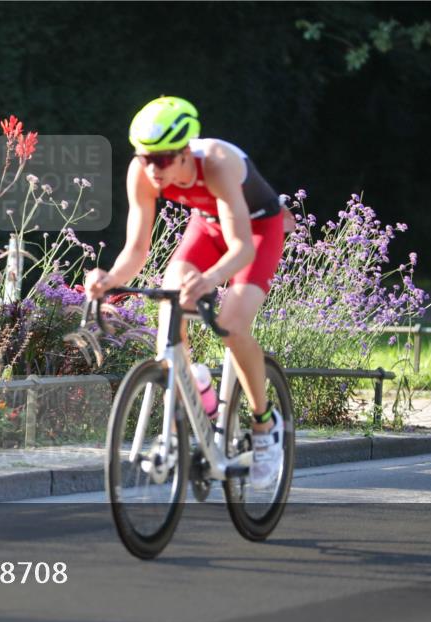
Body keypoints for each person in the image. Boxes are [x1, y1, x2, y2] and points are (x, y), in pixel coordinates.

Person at [85, 97, 291, 488]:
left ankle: (265, 425)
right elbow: (137, 250)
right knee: (171, 295)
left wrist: (211, 279)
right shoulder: (142, 173)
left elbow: (242, 248)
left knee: (231, 324)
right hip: (208, 226)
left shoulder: (216, 164)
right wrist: (109, 279)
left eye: (162, 160)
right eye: (145, 157)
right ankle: (193, 384)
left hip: (258, 231)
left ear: (184, 153)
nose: (153, 169)